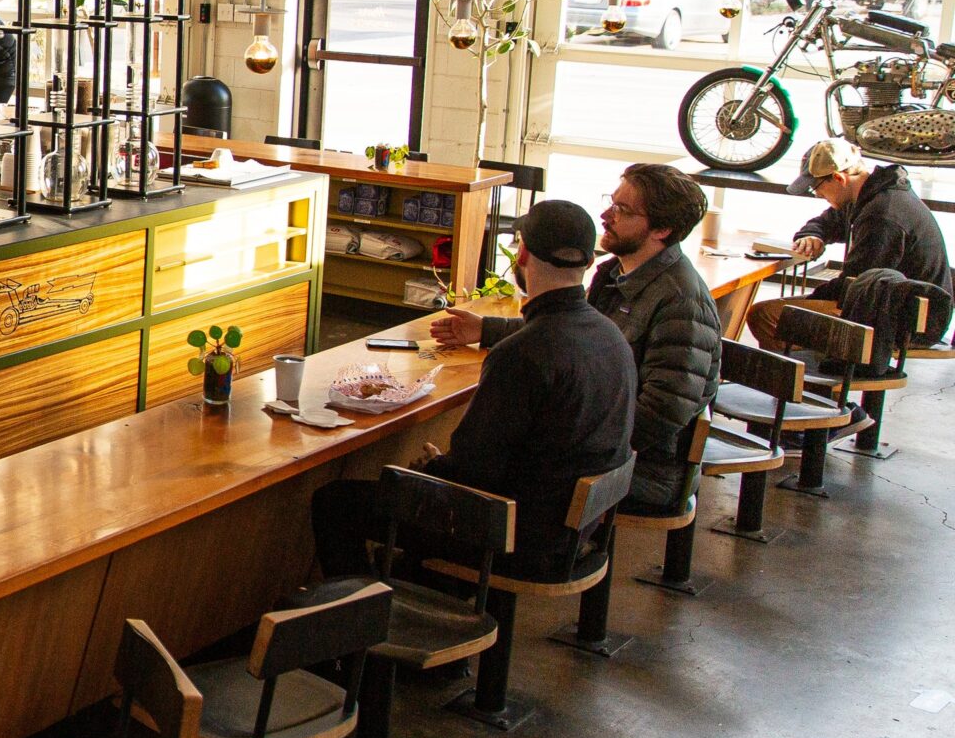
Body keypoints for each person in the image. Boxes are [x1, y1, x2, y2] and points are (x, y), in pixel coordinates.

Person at [312, 201, 636, 579]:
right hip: (575, 530)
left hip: (515, 538)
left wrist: (433, 468)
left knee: (336, 502)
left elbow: (474, 470)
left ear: (524, 253)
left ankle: (358, 619)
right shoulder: (609, 334)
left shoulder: (520, 355)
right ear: (589, 262)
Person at [433, 164, 719, 516]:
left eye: (622, 210)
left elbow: (663, 412)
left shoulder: (681, 302)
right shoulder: (615, 273)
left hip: (640, 472)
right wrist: (487, 330)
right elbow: (572, 335)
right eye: (611, 203)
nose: (605, 215)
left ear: (662, 229)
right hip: (599, 459)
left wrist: (573, 452)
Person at [748, 138, 952, 348]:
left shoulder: (882, 216)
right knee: (781, 310)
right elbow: (827, 221)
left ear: (838, 178)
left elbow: (855, 284)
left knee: (765, 315)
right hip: (886, 304)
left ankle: (801, 376)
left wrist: (808, 300)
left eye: (816, 187)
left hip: (906, 320)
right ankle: (806, 367)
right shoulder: (870, 194)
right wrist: (812, 235)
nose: (817, 194)